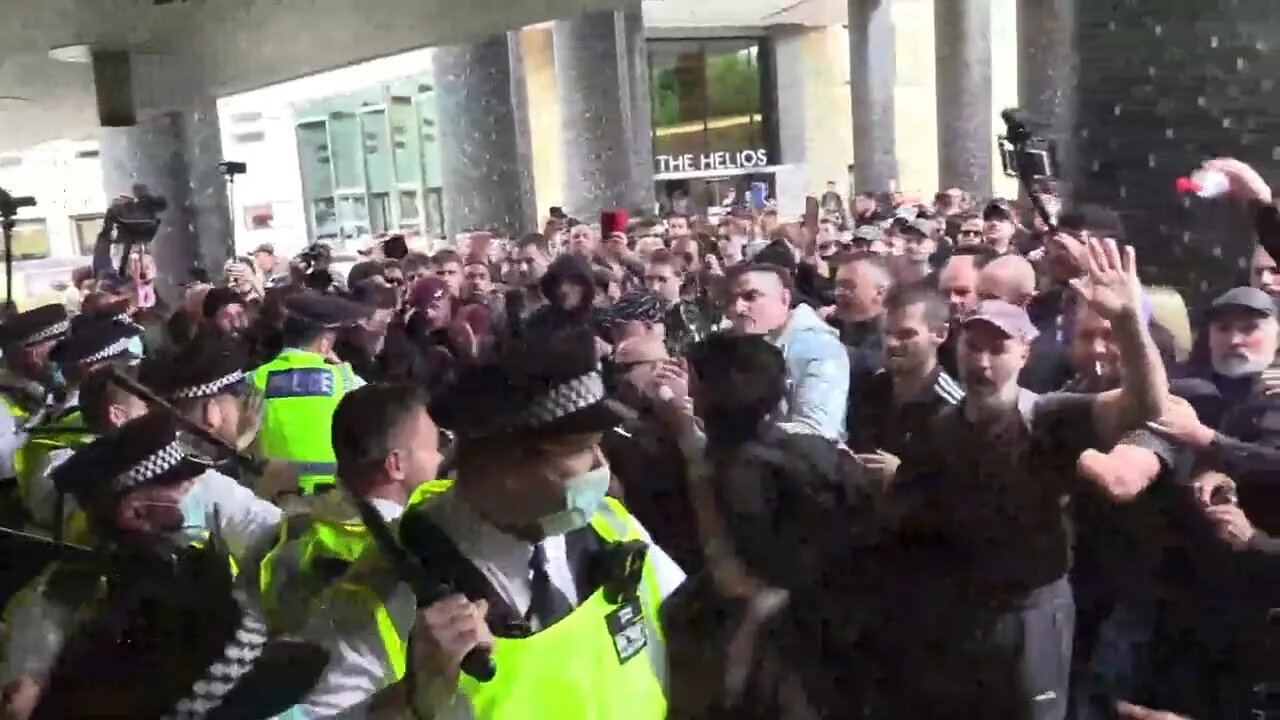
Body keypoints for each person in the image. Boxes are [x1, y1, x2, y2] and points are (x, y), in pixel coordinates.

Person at [292, 325, 685, 718]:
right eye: (580, 450)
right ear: (503, 463)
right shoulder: (379, 595)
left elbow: (692, 637)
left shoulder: (611, 529)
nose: (601, 465)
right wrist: (416, 697)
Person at [880, 238, 1169, 720]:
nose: (983, 362)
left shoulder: (1048, 416)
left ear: (1025, 353)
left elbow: (1147, 406)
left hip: (1032, 614)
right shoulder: (941, 427)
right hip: (963, 612)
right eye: (975, 347)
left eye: (999, 348)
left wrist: (1126, 321)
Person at [0, 412, 282, 713]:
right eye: (179, 485)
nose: (194, 487)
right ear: (133, 513)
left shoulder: (181, 566)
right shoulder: (63, 597)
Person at [258, 382, 443, 635]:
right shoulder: (411, 555)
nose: (440, 458)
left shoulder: (289, 532)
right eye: (434, 447)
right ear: (395, 464)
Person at [250, 292, 370, 496]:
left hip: (273, 496)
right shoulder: (344, 380)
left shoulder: (254, 379)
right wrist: (342, 367)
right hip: (333, 498)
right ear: (324, 343)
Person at [724, 262, 850, 439]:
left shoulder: (819, 348)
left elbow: (817, 432)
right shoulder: (736, 346)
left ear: (784, 298)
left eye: (751, 296)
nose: (738, 308)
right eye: (732, 300)